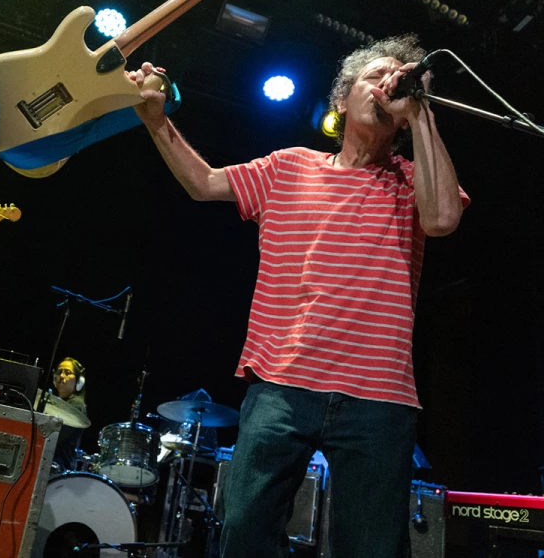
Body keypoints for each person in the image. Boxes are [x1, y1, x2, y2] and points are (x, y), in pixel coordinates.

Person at [128, 34, 468, 558]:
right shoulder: (289, 167)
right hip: (282, 385)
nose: (388, 84)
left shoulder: (410, 180)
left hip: (377, 398)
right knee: (242, 532)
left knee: (373, 549)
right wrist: (154, 118)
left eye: (399, 79)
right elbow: (203, 183)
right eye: (376, 75)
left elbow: (444, 218)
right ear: (342, 98)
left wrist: (419, 111)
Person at [51, 357, 88, 471]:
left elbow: (55, 436)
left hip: (58, 468)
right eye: (59, 372)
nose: (61, 376)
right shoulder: (52, 402)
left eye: (67, 373)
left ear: (79, 381)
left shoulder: (76, 405)